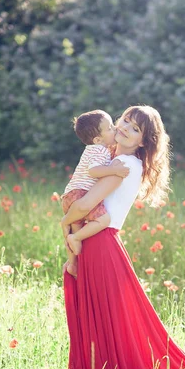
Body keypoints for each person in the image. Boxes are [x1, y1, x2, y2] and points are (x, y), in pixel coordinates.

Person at [62, 105, 185, 369]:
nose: (126, 127)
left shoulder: (124, 165)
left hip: (101, 244)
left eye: (136, 128)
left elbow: (83, 206)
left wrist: (64, 222)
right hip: (94, 241)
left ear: (143, 141)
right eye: (125, 120)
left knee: (109, 318)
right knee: (103, 316)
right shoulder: (112, 157)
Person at [61, 109, 130, 277]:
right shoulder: (99, 150)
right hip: (81, 193)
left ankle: (72, 263)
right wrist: (113, 169)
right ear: (98, 139)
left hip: (69, 195)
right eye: (110, 128)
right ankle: (74, 241)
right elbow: (94, 171)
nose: (114, 129)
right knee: (104, 220)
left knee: (75, 228)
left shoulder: (91, 150)